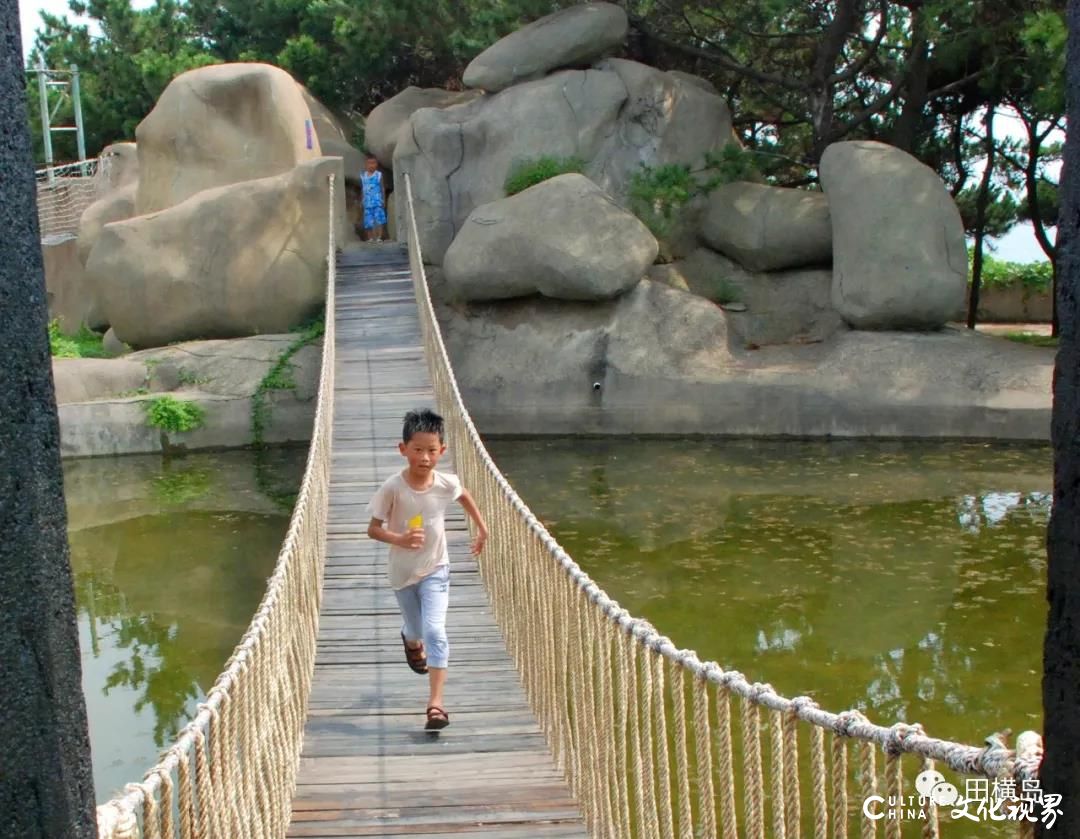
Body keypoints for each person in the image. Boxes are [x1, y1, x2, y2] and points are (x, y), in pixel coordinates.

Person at [366, 408, 488, 730]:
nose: (424, 457)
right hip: (402, 572)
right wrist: (401, 539)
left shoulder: (445, 483)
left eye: (432, 450)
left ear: (442, 452)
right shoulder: (392, 487)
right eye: (417, 449)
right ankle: (409, 639)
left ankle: (436, 705)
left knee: (435, 632)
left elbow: (464, 495)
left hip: (437, 568)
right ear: (402, 449)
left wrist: (482, 528)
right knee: (417, 630)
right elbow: (373, 529)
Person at [359, 153, 387, 242]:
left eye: (373, 163)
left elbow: (382, 187)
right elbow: (363, 188)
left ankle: (379, 237)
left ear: (376, 164)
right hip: (367, 202)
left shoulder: (379, 175)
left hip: (377, 201)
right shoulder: (363, 176)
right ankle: (370, 238)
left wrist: (384, 199)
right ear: (366, 165)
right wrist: (362, 200)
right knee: (368, 221)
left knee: (379, 219)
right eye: (369, 163)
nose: (371, 165)